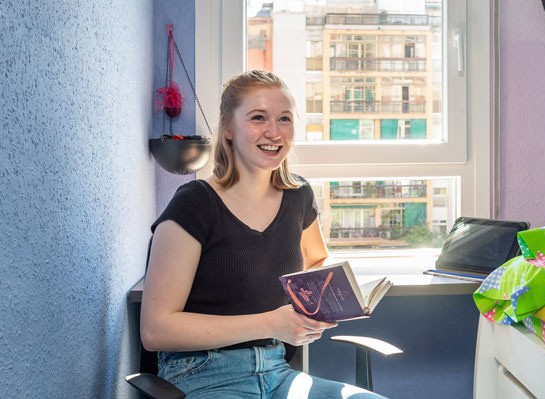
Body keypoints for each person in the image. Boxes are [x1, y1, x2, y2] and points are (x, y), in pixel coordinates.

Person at [140, 70, 387, 399]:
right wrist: (272, 323)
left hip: (277, 371)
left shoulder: (298, 195)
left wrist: (322, 304)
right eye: (258, 117)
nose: (274, 132)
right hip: (201, 376)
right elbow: (156, 330)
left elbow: (316, 260)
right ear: (228, 128)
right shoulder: (195, 204)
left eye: (284, 119)